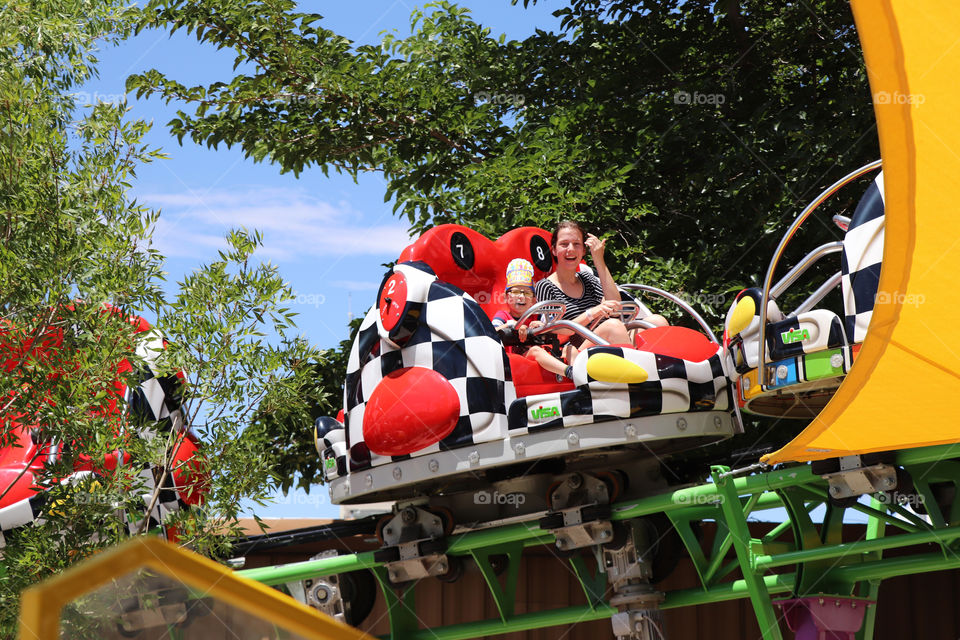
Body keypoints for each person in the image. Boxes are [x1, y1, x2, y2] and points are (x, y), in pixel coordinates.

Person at [534, 220, 666, 354]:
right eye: (564, 244)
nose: (571, 249)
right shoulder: (545, 286)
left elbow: (616, 304)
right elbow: (558, 330)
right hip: (580, 351)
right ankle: (635, 370)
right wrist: (593, 313)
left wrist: (598, 259)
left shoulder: (587, 279)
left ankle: (664, 371)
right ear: (554, 250)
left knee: (657, 322)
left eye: (576, 244)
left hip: (610, 339)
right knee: (612, 326)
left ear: (584, 250)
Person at [493, 258, 573, 379]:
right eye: (515, 292)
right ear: (506, 297)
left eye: (527, 293)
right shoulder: (503, 316)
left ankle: (583, 380)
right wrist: (512, 325)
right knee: (536, 351)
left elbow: (564, 330)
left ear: (534, 300)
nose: (521, 297)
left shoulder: (540, 315)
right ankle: (571, 372)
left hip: (546, 355)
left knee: (570, 349)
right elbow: (491, 332)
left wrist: (543, 327)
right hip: (518, 363)